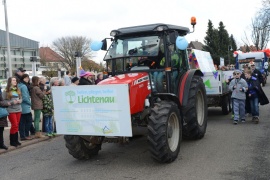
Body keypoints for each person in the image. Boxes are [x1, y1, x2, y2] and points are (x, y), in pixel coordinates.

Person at [2, 77, 22, 147]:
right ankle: (12, 141)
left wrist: (20, 101)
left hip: (19, 109)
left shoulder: (17, 89)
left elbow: (21, 98)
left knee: (17, 124)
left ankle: (16, 140)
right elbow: (3, 101)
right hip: (11, 110)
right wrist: (12, 102)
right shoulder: (6, 91)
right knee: (14, 124)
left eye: (16, 80)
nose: (15, 81)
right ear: (10, 81)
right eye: (13, 80)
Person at [18, 74, 33, 140]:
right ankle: (26, 135)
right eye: (26, 78)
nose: (27, 79)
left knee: (22, 122)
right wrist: (30, 103)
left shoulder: (19, 85)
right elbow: (25, 97)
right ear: (22, 78)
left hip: (20, 106)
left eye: (28, 78)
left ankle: (22, 135)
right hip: (25, 106)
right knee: (28, 121)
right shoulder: (24, 86)